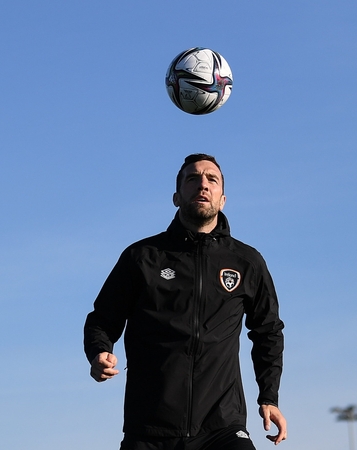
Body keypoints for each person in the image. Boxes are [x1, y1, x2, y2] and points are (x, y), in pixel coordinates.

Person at [84, 154, 287, 450]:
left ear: (223, 199)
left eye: (211, 179)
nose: (202, 185)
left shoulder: (247, 262)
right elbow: (103, 318)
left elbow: (268, 330)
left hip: (221, 426)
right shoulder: (142, 257)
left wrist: (269, 396)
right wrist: (99, 352)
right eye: (193, 179)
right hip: (150, 428)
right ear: (177, 197)